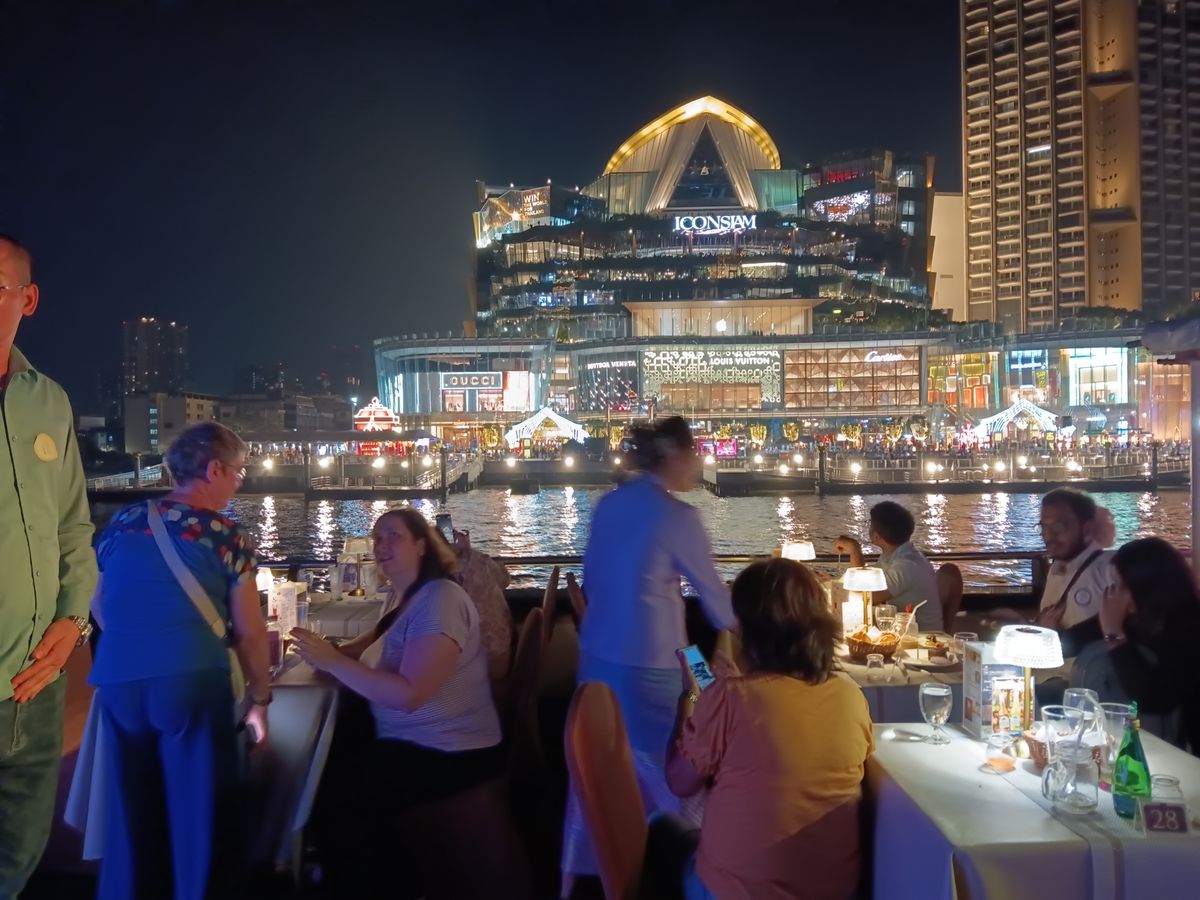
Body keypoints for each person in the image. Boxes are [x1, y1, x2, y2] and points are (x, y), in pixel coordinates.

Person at [89, 422, 270, 900]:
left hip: (118, 680)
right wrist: (260, 696)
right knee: (200, 820)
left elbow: (100, 604)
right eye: (238, 472)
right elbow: (250, 630)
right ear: (214, 470)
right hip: (190, 679)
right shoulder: (226, 535)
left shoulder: (124, 522)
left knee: (132, 818)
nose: (239, 483)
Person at [561, 416, 737, 891]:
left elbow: (599, 583)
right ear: (674, 455)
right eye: (694, 452)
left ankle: (595, 869)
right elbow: (718, 605)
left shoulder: (609, 504)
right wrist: (769, 626)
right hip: (652, 671)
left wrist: (698, 662)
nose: (698, 461)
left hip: (597, 661)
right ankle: (676, 872)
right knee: (671, 774)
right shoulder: (678, 516)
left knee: (598, 774)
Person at [291, 508, 505, 896]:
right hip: (417, 738)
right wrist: (323, 652)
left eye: (394, 535)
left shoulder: (440, 600)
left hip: (451, 751)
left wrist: (332, 661)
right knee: (325, 755)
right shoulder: (406, 599)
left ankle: (369, 883)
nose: (382, 545)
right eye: (377, 538)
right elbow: (360, 649)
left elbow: (410, 695)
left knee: (338, 794)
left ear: (422, 545)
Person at [654, 558, 874, 900]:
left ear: (750, 631)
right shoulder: (851, 697)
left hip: (736, 891)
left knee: (660, 829)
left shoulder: (730, 699)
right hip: (836, 890)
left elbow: (679, 780)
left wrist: (690, 697)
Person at [0, 234, 99, 897]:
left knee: (17, 857)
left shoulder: (49, 401)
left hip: (35, 687)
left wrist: (74, 622)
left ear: (28, 300)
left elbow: (73, 526)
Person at [1060, 537, 1200, 752]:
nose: (1113, 592)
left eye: (1120, 585)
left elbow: (1155, 699)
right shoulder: (1133, 619)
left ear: (1147, 588)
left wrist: (1114, 634)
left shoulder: (1188, 627)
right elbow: (1070, 642)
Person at [834, 500, 942, 632]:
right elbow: (867, 581)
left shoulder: (907, 565)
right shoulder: (894, 556)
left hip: (921, 638)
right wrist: (834, 581)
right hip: (901, 630)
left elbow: (865, 597)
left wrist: (854, 550)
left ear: (876, 536)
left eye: (870, 524)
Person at [1035, 488, 1112, 630]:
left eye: (1058, 526)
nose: (1048, 535)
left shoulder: (1109, 569)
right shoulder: (1055, 569)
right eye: (1044, 527)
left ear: (1087, 529)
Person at [452, 528, 513, 681]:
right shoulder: (480, 561)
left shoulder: (443, 577)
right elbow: (504, 580)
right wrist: (468, 550)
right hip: (502, 650)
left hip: (486, 664)